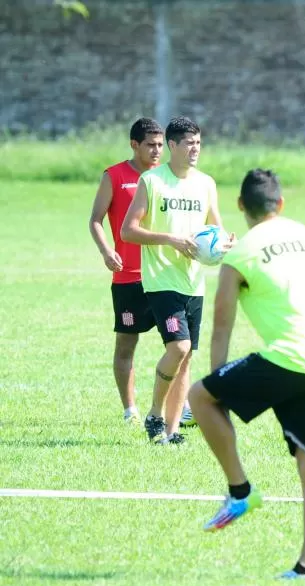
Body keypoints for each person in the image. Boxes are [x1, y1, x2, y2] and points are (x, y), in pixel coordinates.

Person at [187, 169, 305, 581]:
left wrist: (219, 385)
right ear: (280, 204)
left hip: (287, 360)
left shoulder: (239, 253)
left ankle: (240, 491)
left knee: (199, 397)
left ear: (240, 209)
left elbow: (221, 324)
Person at [121, 116, 224, 444]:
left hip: (194, 281)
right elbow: (128, 230)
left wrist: (224, 244)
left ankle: (171, 429)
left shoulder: (206, 183)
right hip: (161, 279)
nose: (195, 149)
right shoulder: (152, 181)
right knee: (178, 347)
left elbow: (216, 228)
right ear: (173, 146)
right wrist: (172, 240)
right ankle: (154, 413)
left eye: (199, 143)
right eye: (189, 143)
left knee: (187, 355)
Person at [87, 118, 164, 424]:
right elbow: (95, 219)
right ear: (134, 145)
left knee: (178, 344)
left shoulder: (167, 177)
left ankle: (173, 404)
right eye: (151, 145)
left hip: (163, 275)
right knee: (126, 343)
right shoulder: (115, 175)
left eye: (160, 145)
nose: (157, 151)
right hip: (128, 277)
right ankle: (130, 410)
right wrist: (107, 251)